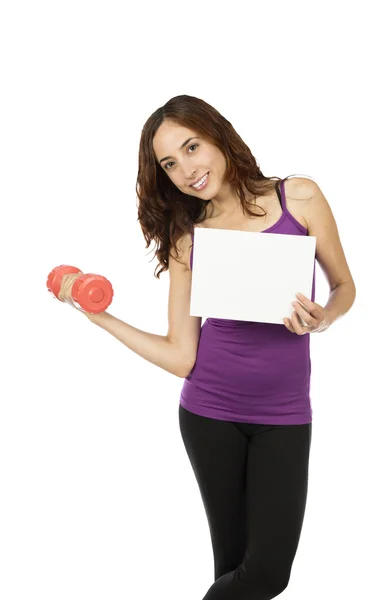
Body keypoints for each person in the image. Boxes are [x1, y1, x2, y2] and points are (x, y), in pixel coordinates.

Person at [59, 94, 356, 599]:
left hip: (284, 415)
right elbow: (182, 355)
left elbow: (345, 288)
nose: (186, 170)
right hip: (209, 415)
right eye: (170, 164)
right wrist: (100, 317)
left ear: (219, 135)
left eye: (192, 147)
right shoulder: (188, 235)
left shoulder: (299, 198)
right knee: (236, 568)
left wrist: (324, 317)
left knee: (265, 576)